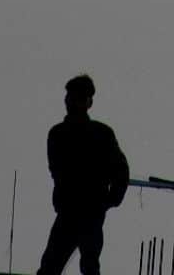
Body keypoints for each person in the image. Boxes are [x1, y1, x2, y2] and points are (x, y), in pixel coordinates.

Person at [36, 75, 129, 275]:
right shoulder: (58, 134)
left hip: (89, 213)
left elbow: (121, 171)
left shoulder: (101, 134)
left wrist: (109, 200)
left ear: (89, 102)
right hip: (72, 212)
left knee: (86, 266)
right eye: (71, 96)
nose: (72, 101)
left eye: (78, 97)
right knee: (52, 265)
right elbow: (58, 172)